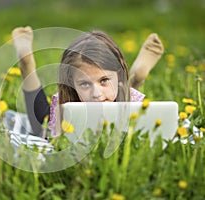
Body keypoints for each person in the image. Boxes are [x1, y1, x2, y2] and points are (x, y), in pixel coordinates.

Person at [8, 26, 164, 137]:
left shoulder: (126, 97)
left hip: (123, 96)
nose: (96, 94)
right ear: (72, 84)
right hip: (70, 115)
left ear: (118, 74)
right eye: (85, 84)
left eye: (103, 80)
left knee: (127, 105)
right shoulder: (66, 105)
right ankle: (27, 66)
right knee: (41, 126)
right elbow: (54, 142)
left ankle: (135, 78)